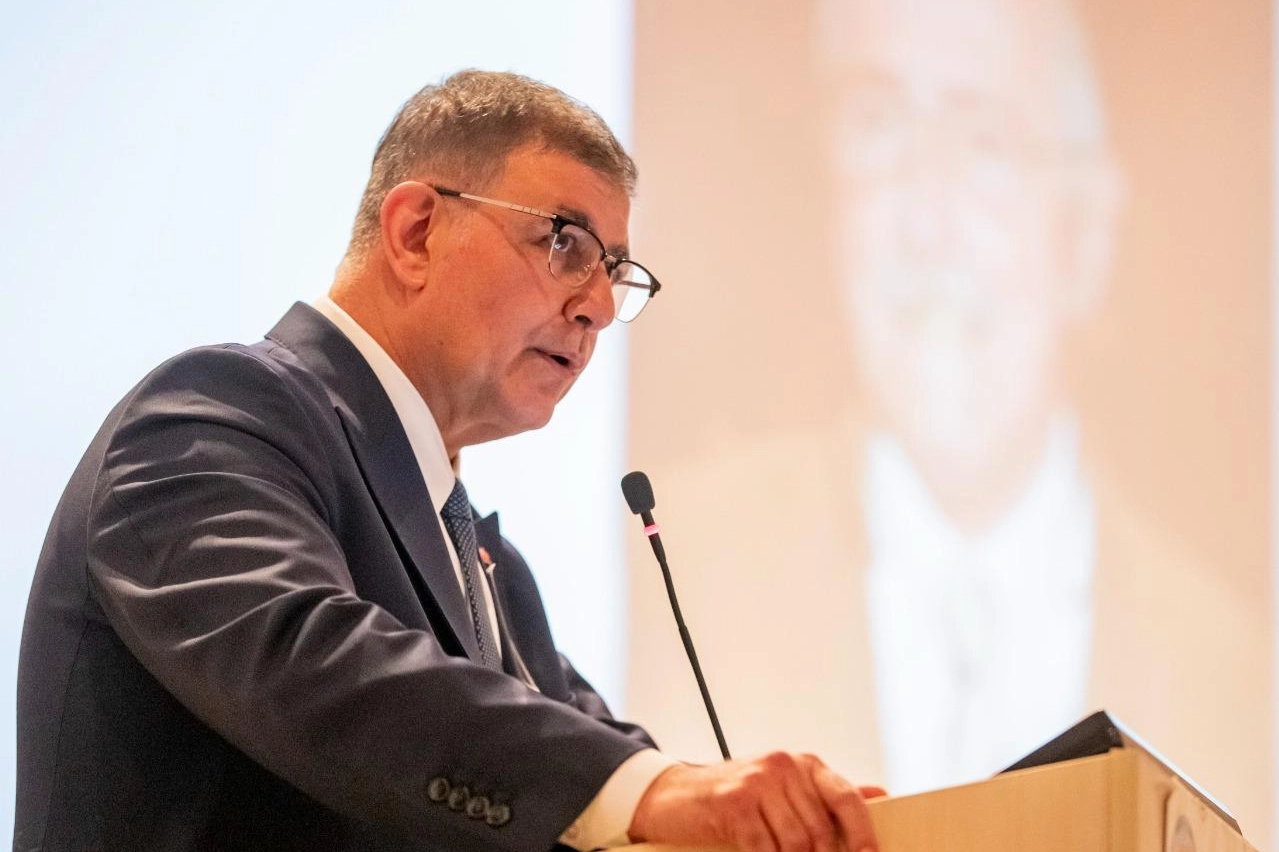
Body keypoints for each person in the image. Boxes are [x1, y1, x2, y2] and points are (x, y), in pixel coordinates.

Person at [15, 70, 882, 852]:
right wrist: (656, 793)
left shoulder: (493, 572)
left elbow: (590, 765)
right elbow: (312, 663)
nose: (595, 306)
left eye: (615, 271)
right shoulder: (214, 416)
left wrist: (775, 819)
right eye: (565, 244)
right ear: (416, 230)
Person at [626, 0, 1268, 838]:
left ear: (1086, 229)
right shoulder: (675, 562)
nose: (924, 227)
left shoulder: (1236, 666)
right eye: (878, 127)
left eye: (987, 144)